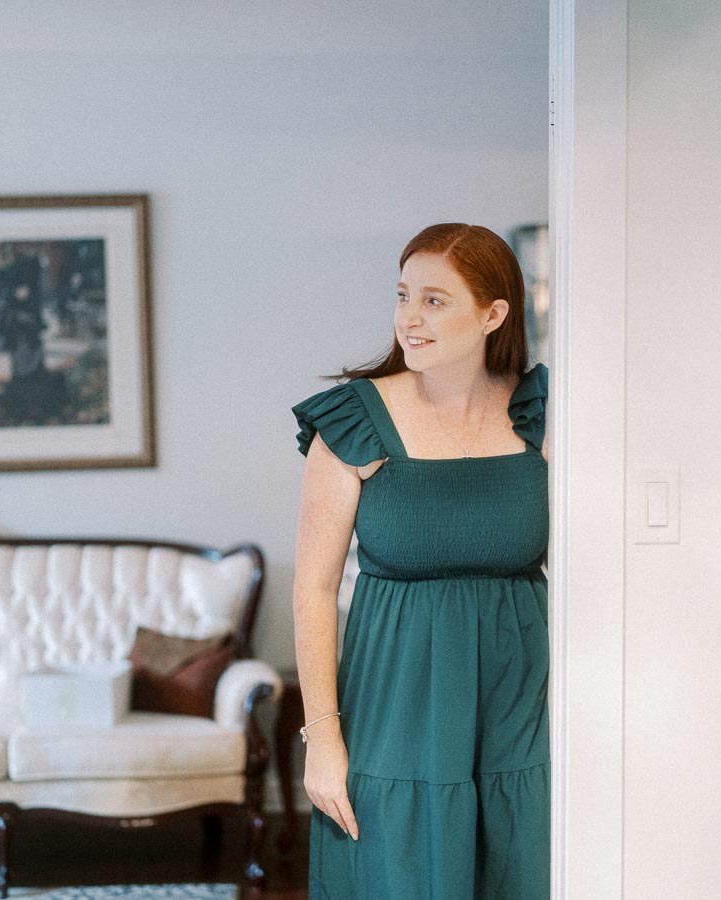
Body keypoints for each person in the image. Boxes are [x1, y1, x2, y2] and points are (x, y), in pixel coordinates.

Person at [291, 222, 550, 898]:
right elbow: (313, 589)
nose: (410, 317)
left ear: (493, 315)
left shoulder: (543, 416)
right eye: (403, 295)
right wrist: (324, 740)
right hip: (394, 717)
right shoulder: (354, 422)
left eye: (435, 300)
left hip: (520, 721)